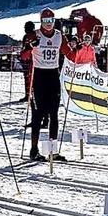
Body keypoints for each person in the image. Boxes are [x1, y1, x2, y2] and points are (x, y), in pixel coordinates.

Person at [22, 8, 74, 162]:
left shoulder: (59, 36)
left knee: (54, 115)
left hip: (53, 76)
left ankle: (53, 151)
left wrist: (78, 48)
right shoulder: (34, 35)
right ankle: (34, 150)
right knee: (37, 115)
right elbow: (24, 56)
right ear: (41, 22)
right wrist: (31, 46)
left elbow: (69, 53)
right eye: (45, 21)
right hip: (39, 76)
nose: (48, 24)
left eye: (51, 21)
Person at [19, 21, 36, 102]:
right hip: (29, 59)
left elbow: (25, 48)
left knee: (29, 78)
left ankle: (29, 95)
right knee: (29, 78)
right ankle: (29, 95)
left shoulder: (31, 36)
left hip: (30, 60)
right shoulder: (30, 36)